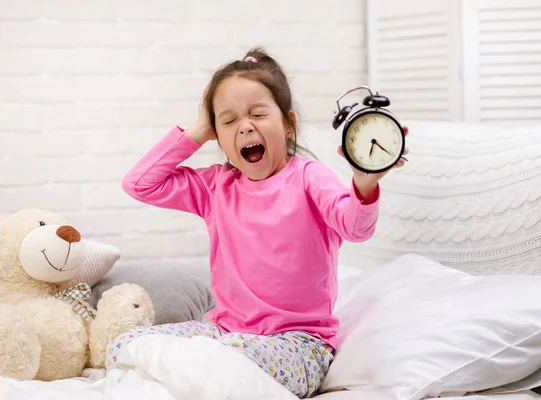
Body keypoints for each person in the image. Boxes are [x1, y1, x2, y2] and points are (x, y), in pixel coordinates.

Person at [106, 47, 409, 398]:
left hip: (298, 346)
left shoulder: (309, 177)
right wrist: (201, 129)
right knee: (125, 345)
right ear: (218, 136)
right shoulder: (215, 187)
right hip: (224, 332)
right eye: (229, 120)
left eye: (257, 114)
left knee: (220, 360)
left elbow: (356, 227)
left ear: (288, 124)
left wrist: (365, 181)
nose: (245, 125)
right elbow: (139, 183)